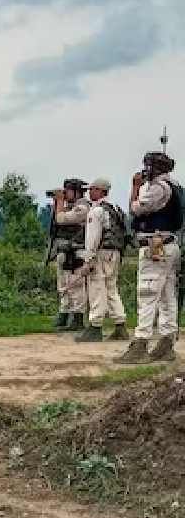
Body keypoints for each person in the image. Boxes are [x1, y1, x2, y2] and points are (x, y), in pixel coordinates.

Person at [116, 152, 182, 363]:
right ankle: (166, 342)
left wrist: (135, 187)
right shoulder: (175, 186)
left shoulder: (157, 188)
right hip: (169, 243)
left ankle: (141, 343)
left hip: (155, 243)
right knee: (166, 295)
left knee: (147, 292)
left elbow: (137, 209)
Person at [74, 178, 129, 342]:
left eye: (92, 189)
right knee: (111, 289)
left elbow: (93, 238)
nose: (90, 192)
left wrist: (88, 259)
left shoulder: (96, 211)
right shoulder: (116, 209)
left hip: (101, 253)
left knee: (97, 288)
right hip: (115, 253)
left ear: (100, 191)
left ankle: (95, 327)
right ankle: (120, 324)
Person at [50, 180, 91, 331]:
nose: (65, 194)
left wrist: (59, 202)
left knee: (76, 285)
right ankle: (64, 313)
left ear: (77, 191)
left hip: (77, 252)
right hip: (64, 251)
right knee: (63, 284)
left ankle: (78, 317)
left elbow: (61, 219)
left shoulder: (83, 207)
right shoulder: (68, 207)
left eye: (67, 191)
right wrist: (58, 204)